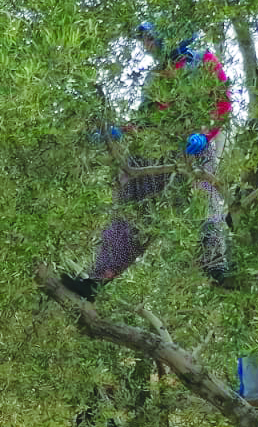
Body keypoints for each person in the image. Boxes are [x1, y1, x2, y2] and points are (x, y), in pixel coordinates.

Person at [62, 20, 232, 300]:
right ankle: (97, 278)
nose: (146, 45)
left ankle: (215, 265)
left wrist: (205, 134)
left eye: (150, 38)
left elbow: (223, 104)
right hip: (155, 151)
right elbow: (146, 121)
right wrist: (116, 131)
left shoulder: (203, 61)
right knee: (129, 210)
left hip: (193, 148)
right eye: (144, 40)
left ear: (169, 33)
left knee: (205, 199)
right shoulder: (155, 78)